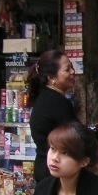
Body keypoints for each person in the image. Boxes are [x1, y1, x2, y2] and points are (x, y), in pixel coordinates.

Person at [27, 49, 79, 182]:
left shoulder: (44, 97)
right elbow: (75, 138)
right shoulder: (58, 103)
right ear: (51, 78)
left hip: (45, 168)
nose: (73, 72)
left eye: (72, 67)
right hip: (56, 172)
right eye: (67, 69)